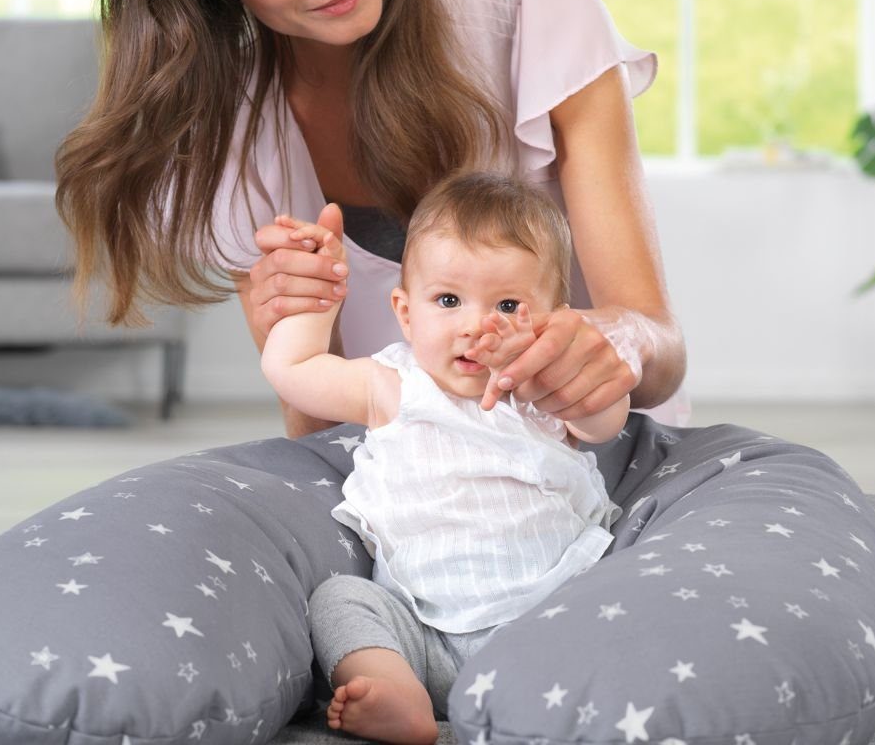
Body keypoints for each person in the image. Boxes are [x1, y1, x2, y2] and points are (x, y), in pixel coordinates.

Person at [54, 0, 875, 676]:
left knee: (812, 601)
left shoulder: (532, 10)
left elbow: (658, 341)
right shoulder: (234, 127)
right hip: (424, 513)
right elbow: (325, 443)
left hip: (605, 473)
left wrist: (611, 350)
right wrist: (292, 326)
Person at [262, 171, 629, 743]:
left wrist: (550, 375)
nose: (474, 326)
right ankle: (395, 693)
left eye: (507, 304)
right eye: (449, 300)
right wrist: (319, 300)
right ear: (406, 313)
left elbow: (607, 420)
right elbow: (293, 371)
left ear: (552, 318)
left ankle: (539, 714)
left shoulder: (542, 389)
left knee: (619, 603)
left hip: (546, 621)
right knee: (341, 601)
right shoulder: (392, 386)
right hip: (423, 635)